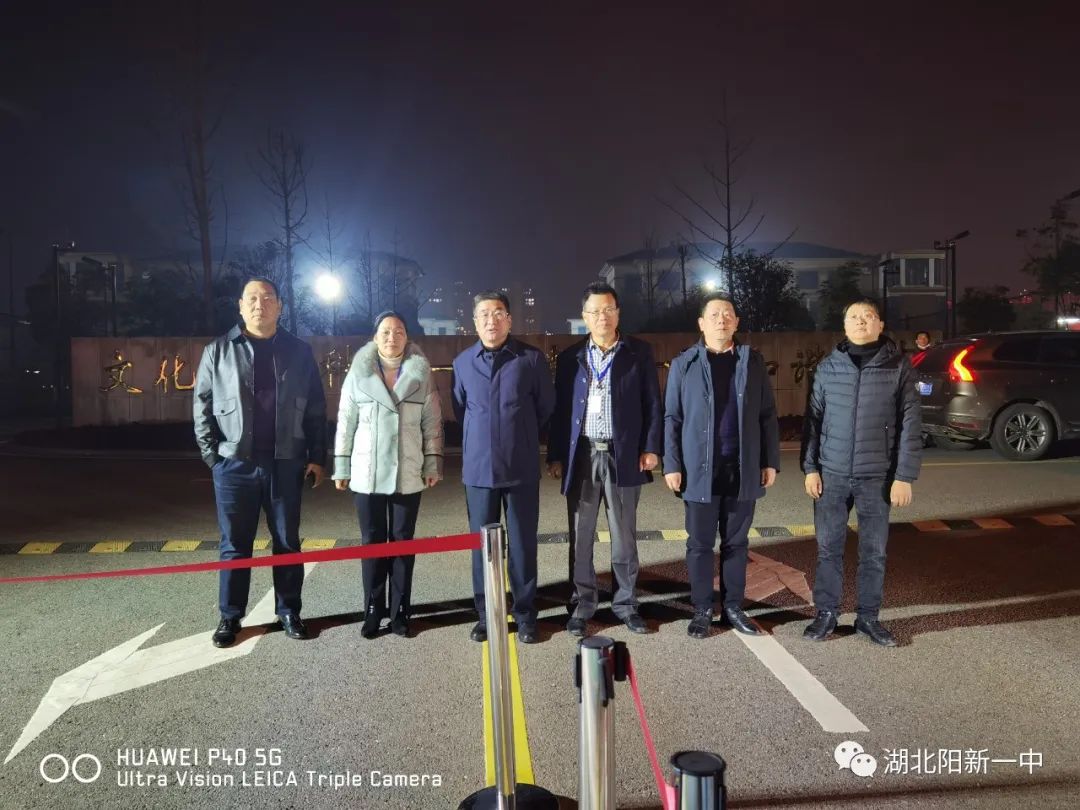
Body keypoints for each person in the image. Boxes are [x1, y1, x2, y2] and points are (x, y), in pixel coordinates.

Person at [194, 277, 327, 648]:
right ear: (240, 305)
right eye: (252, 298)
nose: (259, 304)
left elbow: (316, 407)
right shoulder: (218, 350)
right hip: (234, 464)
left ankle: (289, 611)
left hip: (286, 462)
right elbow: (202, 405)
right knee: (234, 544)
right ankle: (230, 616)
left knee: (287, 541)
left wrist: (317, 456)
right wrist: (212, 456)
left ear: (279, 306)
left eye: (267, 298)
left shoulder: (298, 351)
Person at [801, 298, 922, 647]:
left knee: (874, 552)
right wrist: (811, 468)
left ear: (880, 325)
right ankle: (826, 613)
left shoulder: (898, 367)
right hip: (832, 474)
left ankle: (868, 617)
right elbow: (813, 421)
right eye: (853, 316)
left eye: (868, 316)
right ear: (844, 325)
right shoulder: (828, 367)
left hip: (877, 476)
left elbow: (911, 424)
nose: (861, 321)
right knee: (828, 549)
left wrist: (904, 476)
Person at [547, 282, 663, 637]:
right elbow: (560, 411)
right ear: (584, 317)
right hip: (583, 455)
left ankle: (626, 604)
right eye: (595, 311)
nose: (603, 317)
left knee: (624, 535)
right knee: (581, 535)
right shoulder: (571, 358)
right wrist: (556, 455)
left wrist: (651, 447)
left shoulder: (637, 352)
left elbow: (652, 403)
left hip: (622, 454)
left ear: (618, 313)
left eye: (609, 309)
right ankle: (582, 604)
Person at [663, 292, 780, 639]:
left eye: (727, 314)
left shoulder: (751, 361)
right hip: (699, 469)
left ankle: (733, 607)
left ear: (736, 322)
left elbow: (767, 415)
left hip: (741, 467)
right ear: (701, 323)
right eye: (714, 315)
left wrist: (769, 461)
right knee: (699, 544)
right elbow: (672, 417)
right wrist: (672, 463)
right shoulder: (684, 364)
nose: (721, 320)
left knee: (737, 543)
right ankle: (702, 608)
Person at [452, 291, 555, 644]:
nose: (491, 320)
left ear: (510, 320)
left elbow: (545, 407)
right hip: (479, 470)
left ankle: (525, 614)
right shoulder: (463, 363)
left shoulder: (530, 359)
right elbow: (460, 408)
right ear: (474, 322)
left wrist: (520, 434)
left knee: (523, 545)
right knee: (482, 547)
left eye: (498, 313)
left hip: (520, 467)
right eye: (484, 314)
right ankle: (487, 615)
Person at [333, 312, 443, 639]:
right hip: (367, 471)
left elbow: (432, 421)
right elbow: (346, 420)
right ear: (375, 337)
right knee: (371, 543)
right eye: (385, 332)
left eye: (399, 331)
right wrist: (342, 464)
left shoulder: (420, 373)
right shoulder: (359, 373)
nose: (392, 337)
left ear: (407, 337)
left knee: (402, 542)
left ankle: (400, 611)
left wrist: (432, 463)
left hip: (407, 470)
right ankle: (372, 609)